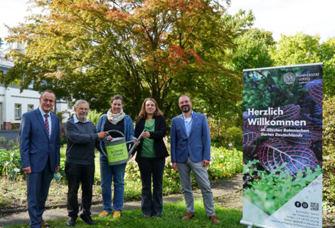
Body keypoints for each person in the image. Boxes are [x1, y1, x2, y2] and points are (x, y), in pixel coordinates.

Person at [170, 95, 220, 224]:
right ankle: (190, 211)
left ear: (191, 103)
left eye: (186, 101)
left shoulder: (201, 118)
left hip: (198, 157)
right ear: (179, 105)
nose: (184, 104)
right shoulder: (175, 120)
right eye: (181, 102)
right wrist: (173, 160)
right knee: (185, 187)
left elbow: (206, 138)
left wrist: (206, 156)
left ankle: (211, 214)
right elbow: (173, 141)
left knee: (205, 186)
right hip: (181, 158)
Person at [19, 90, 60, 228]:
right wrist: (25, 163)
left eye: (51, 101)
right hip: (33, 163)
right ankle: (35, 224)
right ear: (40, 100)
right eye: (45, 100)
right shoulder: (28, 116)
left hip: (49, 163)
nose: (48, 103)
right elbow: (24, 142)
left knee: (43, 195)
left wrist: (56, 162)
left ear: (54, 103)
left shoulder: (55, 118)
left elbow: (56, 143)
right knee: (33, 196)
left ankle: (39, 218)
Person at [64, 100, 109, 226]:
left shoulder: (90, 124)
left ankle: (86, 214)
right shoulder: (69, 124)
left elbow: (95, 142)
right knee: (73, 190)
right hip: (73, 162)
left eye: (86, 109)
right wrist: (97, 136)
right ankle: (72, 216)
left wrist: (107, 147)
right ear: (75, 109)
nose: (83, 111)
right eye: (81, 108)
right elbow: (77, 138)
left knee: (88, 190)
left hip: (89, 162)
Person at [96, 95, 135, 218]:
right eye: (115, 104)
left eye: (119, 104)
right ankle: (106, 208)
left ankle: (117, 209)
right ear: (111, 104)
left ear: (122, 105)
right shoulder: (103, 118)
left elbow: (130, 135)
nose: (117, 106)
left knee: (119, 182)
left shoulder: (127, 119)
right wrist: (104, 138)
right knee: (105, 183)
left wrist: (131, 148)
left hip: (120, 155)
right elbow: (96, 135)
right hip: (105, 155)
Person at [133, 98, 169, 218]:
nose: (150, 107)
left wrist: (150, 135)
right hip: (143, 157)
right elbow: (136, 138)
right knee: (146, 185)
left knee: (158, 185)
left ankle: (157, 211)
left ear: (155, 107)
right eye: (147, 105)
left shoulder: (160, 119)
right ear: (144, 107)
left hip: (158, 157)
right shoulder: (139, 122)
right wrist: (135, 144)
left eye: (152, 105)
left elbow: (162, 132)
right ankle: (146, 211)